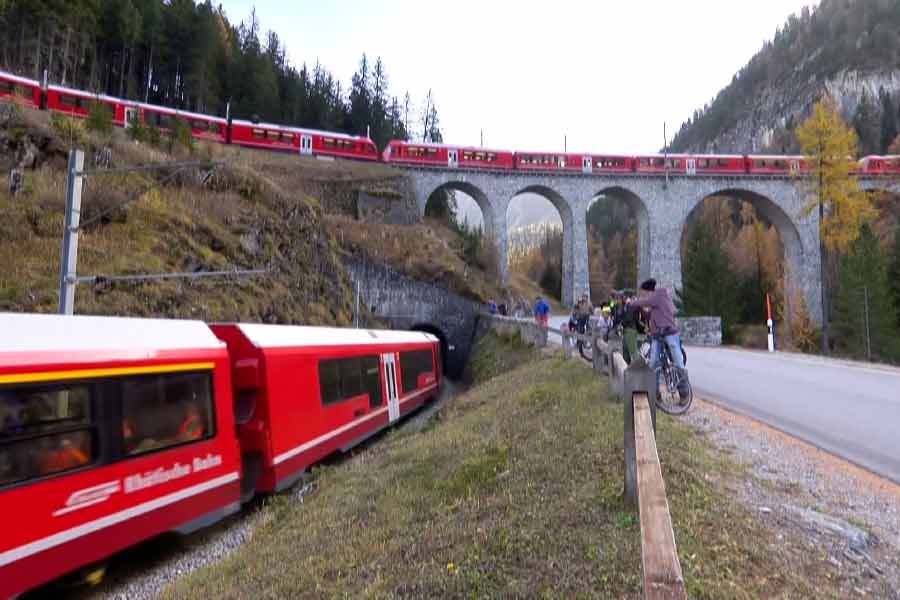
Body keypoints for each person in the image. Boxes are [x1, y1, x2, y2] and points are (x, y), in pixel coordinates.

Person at [629, 278, 690, 400]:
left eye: (644, 293)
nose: (643, 296)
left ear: (648, 291)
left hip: (669, 332)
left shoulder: (659, 294)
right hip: (657, 335)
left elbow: (641, 302)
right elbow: (652, 314)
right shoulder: (655, 302)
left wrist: (631, 302)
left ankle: (684, 393)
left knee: (677, 361)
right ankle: (655, 394)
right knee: (653, 363)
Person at [613, 293, 649, 364]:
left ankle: (641, 368)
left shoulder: (631, 305)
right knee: (625, 351)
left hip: (630, 329)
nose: (618, 300)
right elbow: (621, 317)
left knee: (633, 351)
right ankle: (627, 368)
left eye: (620, 298)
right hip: (626, 329)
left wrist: (621, 323)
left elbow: (629, 318)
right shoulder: (624, 306)